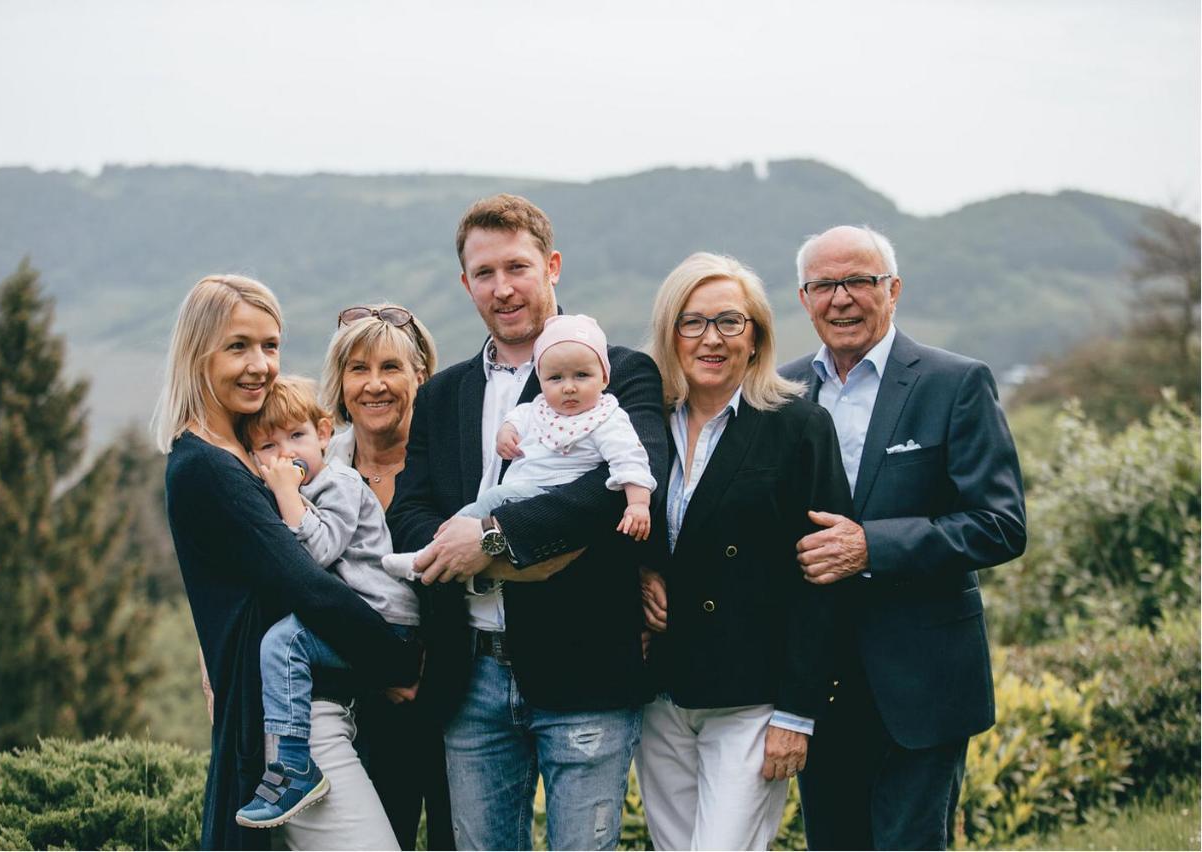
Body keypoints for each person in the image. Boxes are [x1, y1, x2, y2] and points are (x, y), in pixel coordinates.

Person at [387, 194, 670, 850]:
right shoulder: (442, 393)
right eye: (484, 273)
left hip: (586, 665)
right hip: (471, 678)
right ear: (466, 284)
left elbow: (617, 492)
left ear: (553, 266)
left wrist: (488, 541)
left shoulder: (618, 372)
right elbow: (408, 508)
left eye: (517, 267)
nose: (502, 287)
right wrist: (443, 544)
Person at [780, 226, 1027, 850]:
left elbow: (999, 523)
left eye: (859, 281)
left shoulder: (955, 382)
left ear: (893, 291)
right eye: (824, 285)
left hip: (923, 682)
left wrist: (873, 546)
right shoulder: (778, 392)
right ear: (804, 298)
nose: (841, 298)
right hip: (815, 681)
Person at [152, 275, 419, 850]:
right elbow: (306, 586)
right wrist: (399, 664)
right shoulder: (208, 468)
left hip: (314, 702)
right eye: (238, 346)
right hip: (294, 725)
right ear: (198, 354)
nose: (259, 365)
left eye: (270, 345)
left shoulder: (244, 458)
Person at [634, 252, 853, 850]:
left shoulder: (799, 427)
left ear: (755, 337)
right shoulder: (642, 424)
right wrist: (642, 573)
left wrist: (797, 713)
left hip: (753, 695)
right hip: (660, 692)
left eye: (730, 322)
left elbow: (825, 577)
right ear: (670, 333)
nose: (712, 338)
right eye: (693, 321)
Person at [232, 376, 422, 829]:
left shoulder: (340, 483)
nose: (286, 455)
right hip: (352, 620)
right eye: (268, 447)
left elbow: (318, 554)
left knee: (284, 643)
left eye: (296, 436)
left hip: (381, 621)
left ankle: (294, 765)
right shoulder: (301, 490)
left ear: (322, 433)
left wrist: (283, 492)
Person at [317, 305, 454, 851]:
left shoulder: (451, 465)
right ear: (340, 383)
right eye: (357, 369)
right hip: (358, 708)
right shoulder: (319, 471)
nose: (374, 385)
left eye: (391, 368)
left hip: (451, 702)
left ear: (420, 376)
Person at [383, 313, 656, 580]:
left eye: (582, 376)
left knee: (491, 500)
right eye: (556, 379)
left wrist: (638, 504)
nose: (569, 387)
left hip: (566, 600)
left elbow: (633, 462)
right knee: (477, 509)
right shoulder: (439, 393)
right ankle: (429, 556)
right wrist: (507, 432)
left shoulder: (611, 406)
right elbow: (408, 508)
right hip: (458, 617)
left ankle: (430, 554)